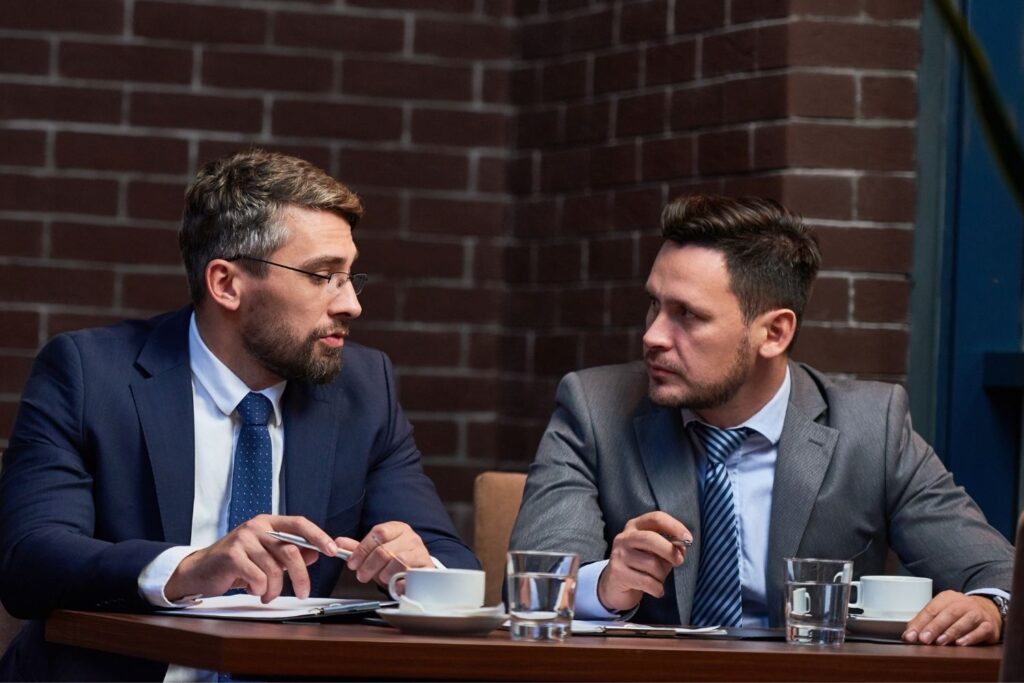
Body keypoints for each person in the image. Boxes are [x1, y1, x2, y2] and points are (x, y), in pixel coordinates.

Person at [0, 150, 478, 680]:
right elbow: (28, 559)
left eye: (349, 277)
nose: (350, 305)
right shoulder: (90, 374)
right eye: (322, 276)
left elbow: (454, 564)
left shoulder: (364, 389)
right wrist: (187, 568)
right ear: (226, 284)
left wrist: (419, 570)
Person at [510, 194, 1013, 646]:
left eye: (687, 315)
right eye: (654, 305)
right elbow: (535, 584)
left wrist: (990, 606)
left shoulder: (871, 427)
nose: (653, 336)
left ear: (774, 333)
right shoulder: (595, 409)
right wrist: (607, 585)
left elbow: (999, 572)